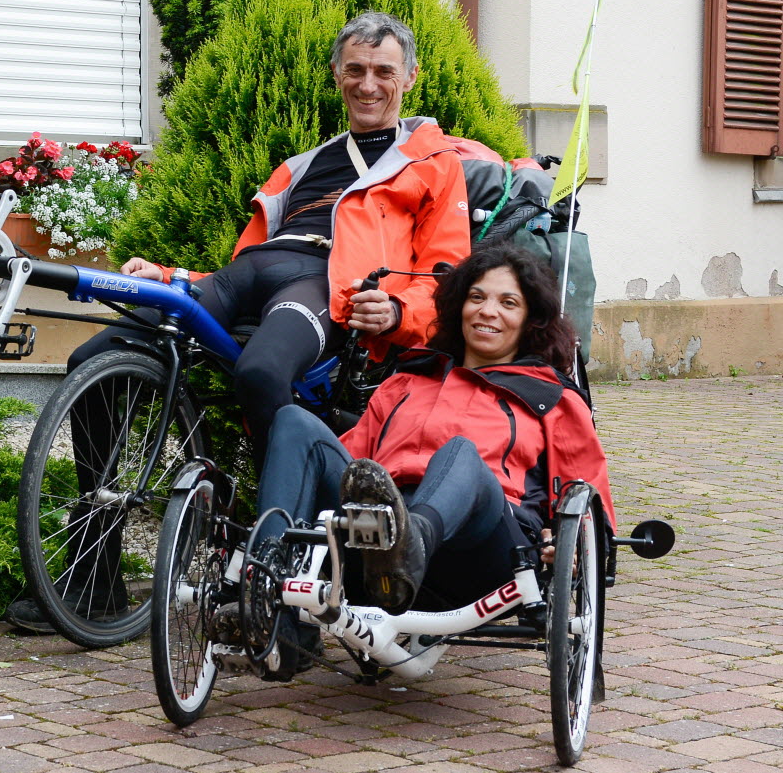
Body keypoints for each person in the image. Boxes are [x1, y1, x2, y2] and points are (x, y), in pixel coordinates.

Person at [6, 12, 473, 633]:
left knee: (260, 370)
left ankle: (283, 571)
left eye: (383, 71)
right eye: (355, 70)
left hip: (326, 286)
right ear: (337, 75)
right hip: (253, 272)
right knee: (93, 358)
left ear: (408, 79)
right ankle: (94, 578)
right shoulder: (302, 166)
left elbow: (449, 277)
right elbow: (240, 264)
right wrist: (172, 278)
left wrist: (397, 311)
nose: (368, 84)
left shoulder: (435, 164)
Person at [246, 242, 614, 676]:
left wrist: (572, 549)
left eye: (507, 302)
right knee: (292, 420)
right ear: (459, 306)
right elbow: (351, 464)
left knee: (460, 451)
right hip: (374, 544)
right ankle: (267, 592)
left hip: (480, 550)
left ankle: (411, 540)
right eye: (476, 297)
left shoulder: (549, 397)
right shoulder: (405, 382)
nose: (487, 311)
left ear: (530, 320)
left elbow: (587, 494)